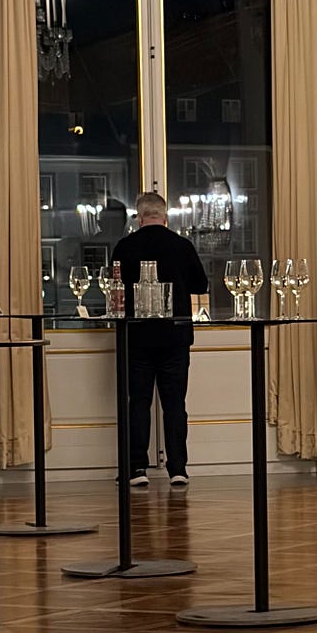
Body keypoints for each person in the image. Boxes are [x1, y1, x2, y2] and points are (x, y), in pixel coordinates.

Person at [110, 191, 209, 487]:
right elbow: (201, 284)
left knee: (138, 403)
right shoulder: (182, 245)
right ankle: (178, 469)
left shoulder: (125, 246)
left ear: (139, 218)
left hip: (137, 336)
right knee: (175, 404)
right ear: (165, 217)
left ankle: (137, 469)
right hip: (175, 336)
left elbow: (114, 286)